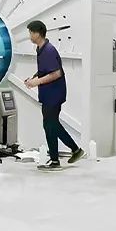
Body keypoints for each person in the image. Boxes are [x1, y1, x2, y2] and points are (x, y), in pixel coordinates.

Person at [24, 20, 84, 170]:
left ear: (37, 33)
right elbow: (45, 70)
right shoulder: (41, 49)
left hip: (54, 94)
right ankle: (66, 154)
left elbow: (56, 73)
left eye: (30, 32)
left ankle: (66, 154)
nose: (29, 35)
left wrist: (37, 82)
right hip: (48, 94)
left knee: (50, 124)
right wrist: (33, 78)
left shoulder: (49, 50)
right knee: (50, 124)